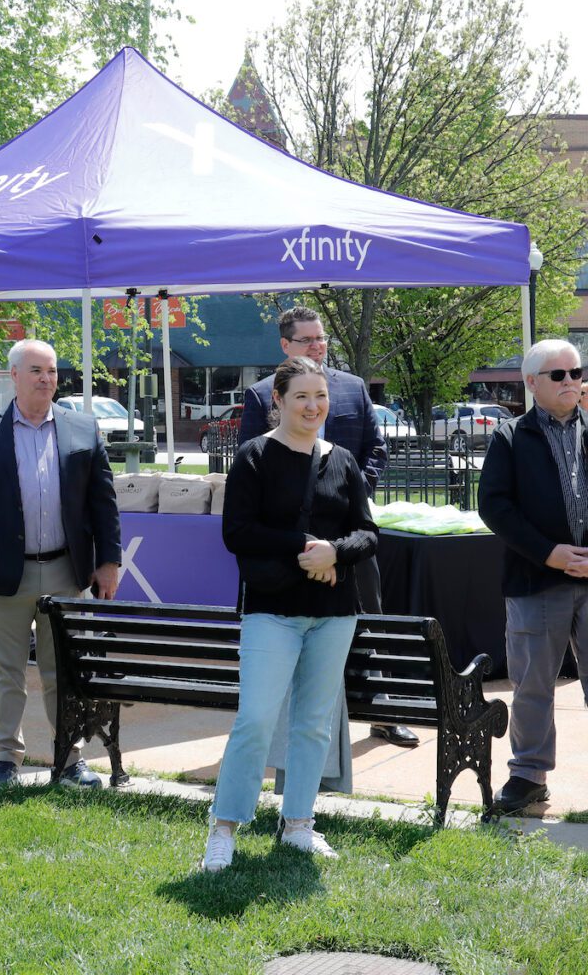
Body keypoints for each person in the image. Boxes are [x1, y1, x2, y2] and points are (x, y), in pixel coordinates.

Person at [202, 356, 377, 871]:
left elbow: (367, 533)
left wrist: (335, 554)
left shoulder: (342, 460)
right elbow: (237, 532)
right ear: (278, 400)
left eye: (320, 396)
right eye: (301, 396)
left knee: (314, 725)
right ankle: (225, 827)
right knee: (256, 719)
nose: (313, 406)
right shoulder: (255, 457)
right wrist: (307, 547)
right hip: (272, 611)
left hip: (333, 611)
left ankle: (298, 823)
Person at [238, 306, 415, 749]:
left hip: (350, 536)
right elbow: (251, 466)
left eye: (322, 339)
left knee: (370, 622)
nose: (319, 346)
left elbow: (375, 447)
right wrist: (311, 543)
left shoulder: (354, 388)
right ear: (285, 346)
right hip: (289, 550)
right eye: (308, 340)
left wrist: (349, 498)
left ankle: (383, 712)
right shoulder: (263, 395)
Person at [0, 339, 122, 788]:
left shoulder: (83, 429)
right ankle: (6, 760)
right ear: (13, 376)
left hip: (66, 571)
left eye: (51, 371)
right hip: (2, 575)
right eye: (36, 371)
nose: (47, 379)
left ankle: (69, 760)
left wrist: (108, 561)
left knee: (61, 673)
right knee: (6, 673)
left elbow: (103, 504)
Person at [478, 339, 588, 815]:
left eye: (577, 372)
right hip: (536, 579)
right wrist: (550, 554)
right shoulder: (509, 436)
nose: (571, 382)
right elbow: (494, 506)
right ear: (531, 383)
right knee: (533, 685)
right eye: (558, 375)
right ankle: (528, 776)